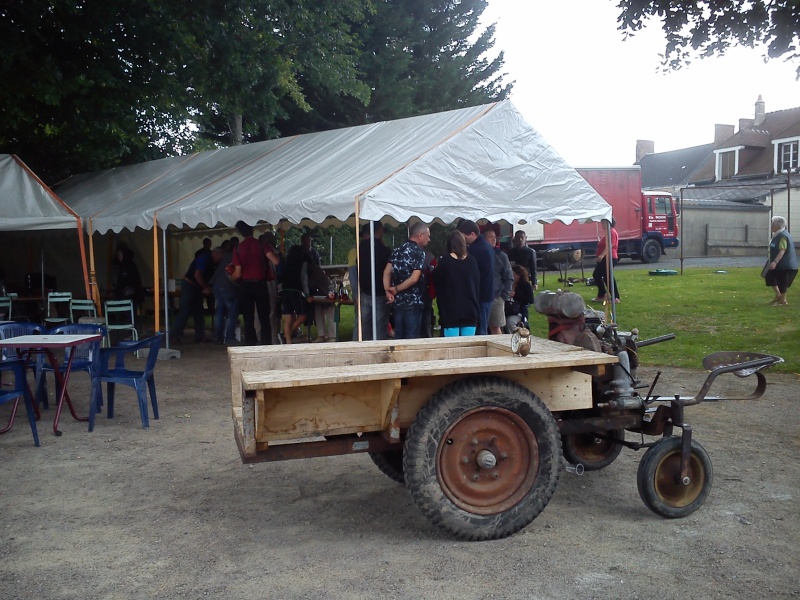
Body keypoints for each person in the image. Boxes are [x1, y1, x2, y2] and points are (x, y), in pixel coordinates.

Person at [229, 221, 276, 345]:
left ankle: (251, 343)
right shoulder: (262, 244)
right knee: (264, 317)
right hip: (261, 284)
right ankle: (266, 343)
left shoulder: (238, 248)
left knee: (248, 318)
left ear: (240, 233)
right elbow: (275, 261)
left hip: (246, 285)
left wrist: (231, 278)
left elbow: (237, 273)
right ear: (253, 229)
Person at [383, 222, 430, 339]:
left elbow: (386, 272)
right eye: (427, 236)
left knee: (399, 337)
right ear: (420, 235)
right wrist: (396, 289)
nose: (429, 239)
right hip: (413, 302)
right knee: (412, 338)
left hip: (398, 303)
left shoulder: (397, 250)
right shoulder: (419, 252)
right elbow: (414, 278)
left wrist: (387, 291)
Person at [432, 230, 479, 337]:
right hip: (470, 311)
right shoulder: (472, 261)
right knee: (468, 348)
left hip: (450, 312)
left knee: (452, 349)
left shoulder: (445, 262)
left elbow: (436, 280)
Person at [173, 246, 219, 344]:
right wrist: (205, 287)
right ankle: (175, 336)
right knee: (184, 311)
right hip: (189, 285)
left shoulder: (212, 261)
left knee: (199, 312)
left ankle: (200, 336)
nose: (219, 260)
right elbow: (197, 274)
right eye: (219, 258)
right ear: (215, 254)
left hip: (197, 287)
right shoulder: (204, 258)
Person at [456, 219, 494, 334]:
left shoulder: (475, 250)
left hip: (480, 296)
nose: (464, 241)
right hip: (488, 294)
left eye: (465, 238)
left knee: (479, 331)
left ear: (473, 234)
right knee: (483, 327)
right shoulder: (487, 246)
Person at [359, 221, 392, 340]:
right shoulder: (385, 250)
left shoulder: (361, 247)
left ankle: (364, 348)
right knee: (380, 325)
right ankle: (378, 349)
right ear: (380, 230)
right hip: (380, 292)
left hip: (365, 290)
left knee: (364, 325)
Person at [484, 228, 513, 334]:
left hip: (496, 297)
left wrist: (503, 296)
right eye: (490, 237)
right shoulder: (479, 254)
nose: (493, 240)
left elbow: (509, 277)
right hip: (481, 297)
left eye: (494, 237)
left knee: (496, 327)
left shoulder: (501, 256)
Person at [280, 241, 309, 344]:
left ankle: (288, 342)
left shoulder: (287, 262)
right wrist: (307, 294)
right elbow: (304, 277)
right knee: (302, 315)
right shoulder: (302, 262)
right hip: (295, 290)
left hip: (285, 290)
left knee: (288, 317)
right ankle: (289, 333)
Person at [765, 215, 797, 306]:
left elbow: (782, 250)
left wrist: (775, 262)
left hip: (784, 264)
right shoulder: (778, 235)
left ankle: (783, 301)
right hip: (780, 263)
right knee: (769, 277)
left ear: (778, 226)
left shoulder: (782, 236)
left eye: (773, 225)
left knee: (782, 282)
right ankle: (779, 296)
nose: (771, 227)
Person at [209, 246, 239, 345]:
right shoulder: (236, 256)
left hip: (217, 285)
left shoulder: (226, 257)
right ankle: (229, 338)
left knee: (219, 312)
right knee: (232, 313)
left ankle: (218, 337)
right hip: (227, 286)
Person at [592, 218, 620, 303]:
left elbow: (610, 245)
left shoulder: (612, 231)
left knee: (608, 276)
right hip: (605, 258)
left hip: (609, 257)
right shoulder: (608, 232)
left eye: (603, 223)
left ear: (608, 223)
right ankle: (602, 294)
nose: (602, 225)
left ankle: (615, 297)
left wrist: (601, 255)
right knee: (597, 275)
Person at [111, 243, 144, 314]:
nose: (118, 257)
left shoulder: (128, 266)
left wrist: (118, 291)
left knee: (129, 315)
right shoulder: (124, 265)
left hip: (130, 296)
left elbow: (126, 282)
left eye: (119, 255)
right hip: (130, 296)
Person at [505, 265, 535, 333]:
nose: (511, 276)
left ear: (519, 275)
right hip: (506, 309)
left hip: (519, 311)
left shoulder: (526, 285)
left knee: (510, 321)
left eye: (514, 274)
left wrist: (516, 295)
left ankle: (518, 336)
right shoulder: (508, 284)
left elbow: (530, 300)